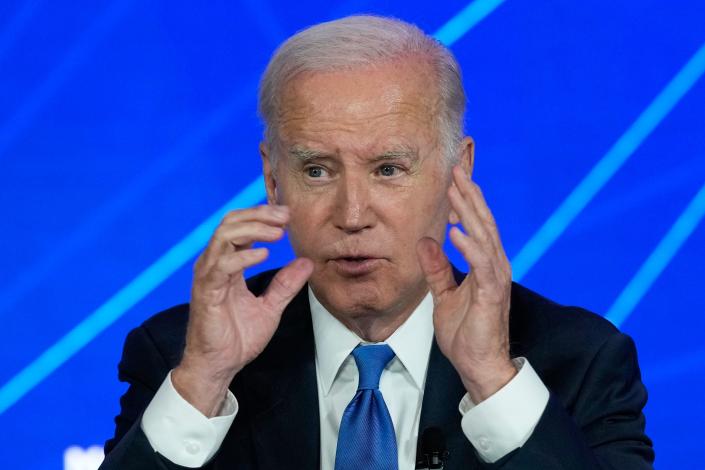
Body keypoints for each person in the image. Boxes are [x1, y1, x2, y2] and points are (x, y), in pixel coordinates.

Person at [99, 15, 654, 470]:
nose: (353, 214)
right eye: (317, 170)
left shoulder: (579, 361)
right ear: (273, 178)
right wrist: (204, 381)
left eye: (389, 169)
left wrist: (492, 380)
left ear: (457, 172)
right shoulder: (178, 355)